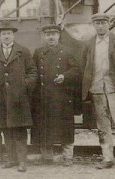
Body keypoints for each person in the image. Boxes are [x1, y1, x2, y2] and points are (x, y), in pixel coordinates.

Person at [81, 12, 115, 171]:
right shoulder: (89, 44)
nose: (100, 26)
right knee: (102, 126)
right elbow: (85, 65)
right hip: (97, 89)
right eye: (97, 23)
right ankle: (107, 158)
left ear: (108, 24)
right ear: (94, 25)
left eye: (103, 23)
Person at [0, 21, 38, 172]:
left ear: (13, 35)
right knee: (6, 130)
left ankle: (22, 161)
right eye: (3, 34)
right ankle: (11, 159)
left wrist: (24, 85)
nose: (6, 36)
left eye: (9, 33)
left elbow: (33, 72)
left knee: (19, 130)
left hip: (18, 99)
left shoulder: (23, 52)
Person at [32, 25, 81, 166]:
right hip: (44, 97)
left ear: (59, 35)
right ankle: (47, 155)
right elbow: (33, 72)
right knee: (44, 126)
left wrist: (64, 76)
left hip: (62, 97)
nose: (51, 37)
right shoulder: (39, 52)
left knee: (65, 127)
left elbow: (77, 70)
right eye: (48, 34)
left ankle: (67, 156)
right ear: (44, 36)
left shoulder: (67, 51)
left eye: (53, 34)